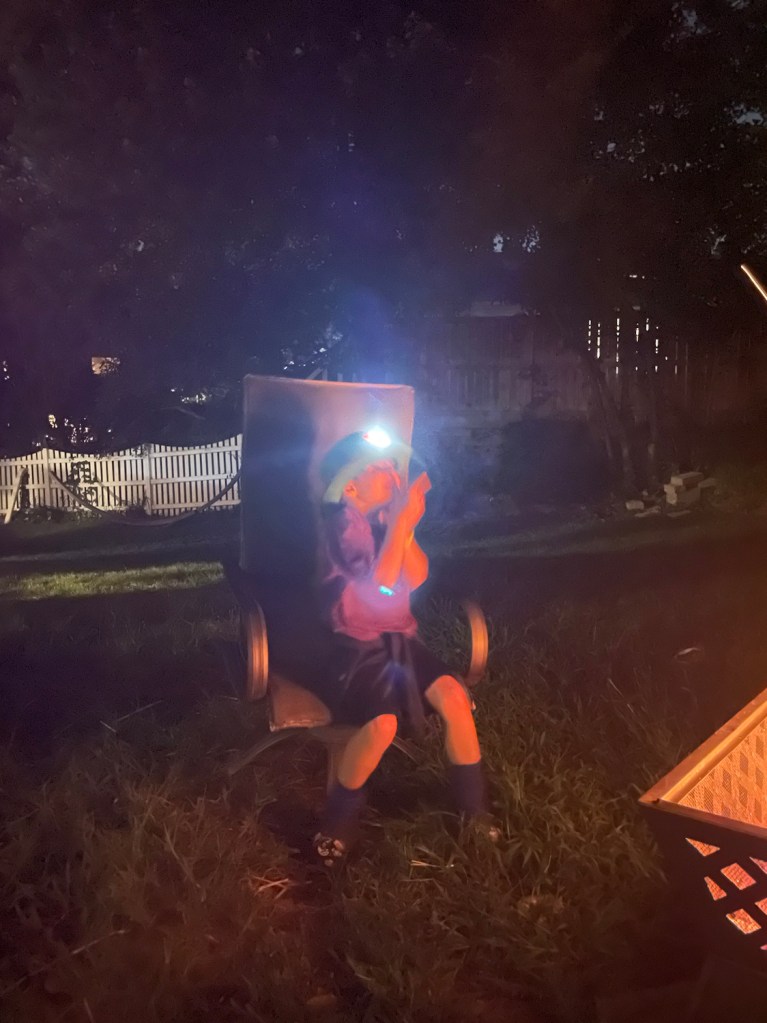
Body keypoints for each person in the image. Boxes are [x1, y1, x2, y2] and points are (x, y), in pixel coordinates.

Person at [312, 432, 495, 866]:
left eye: (394, 466)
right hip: (354, 648)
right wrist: (397, 526)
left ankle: (475, 812)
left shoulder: (380, 522)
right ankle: (337, 820)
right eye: (379, 467)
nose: (393, 475)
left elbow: (416, 575)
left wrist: (405, 527)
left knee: (455, 698)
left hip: (399, 640)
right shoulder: (341, 526)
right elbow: (377, 589)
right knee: (382, 726)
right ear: (350, 486)